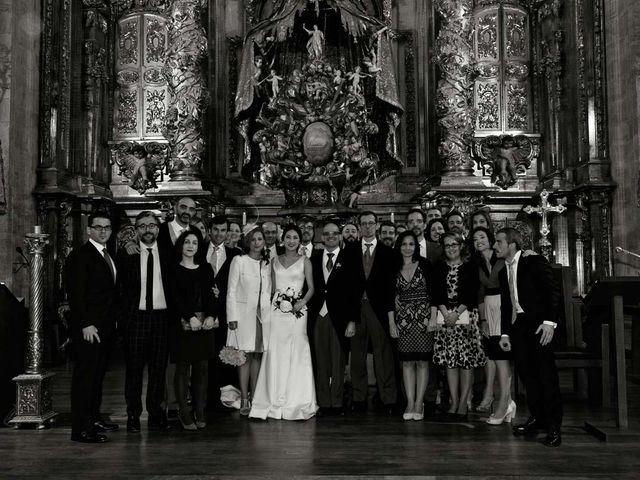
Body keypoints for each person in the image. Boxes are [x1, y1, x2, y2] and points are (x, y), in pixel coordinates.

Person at [494, 228, 563, 447]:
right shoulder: (501, 270)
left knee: (546, 375)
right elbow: (506, 304)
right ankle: (538, 418)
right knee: (527, 374)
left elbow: (552, 291)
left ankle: (554, 427)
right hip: (520, 326)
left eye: (498, 242)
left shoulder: (534, 261)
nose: (495, 246)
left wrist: (549, 323)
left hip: (540, 325)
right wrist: (505, 333)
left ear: (512, 245)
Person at [250, 225, 318, 420]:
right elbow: (270, 289)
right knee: (276, 353)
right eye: (288, 237)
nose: (291, 241)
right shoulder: (274, 261)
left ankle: (296, 400)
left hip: (298, 313)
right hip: (277, 313)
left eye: (295, 237)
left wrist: (302, 302)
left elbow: (312, 288)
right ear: (283, 239)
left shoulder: (305, 261)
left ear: (299, 240)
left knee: (297, 353)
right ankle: (272, 397)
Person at [118, 211, 174, 433]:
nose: (147, 230)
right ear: (136, 229)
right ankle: (133, 414)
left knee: (158, 369)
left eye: (152, 225)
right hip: (137, 318)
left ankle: (155, 412)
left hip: (162, 317)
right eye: (142, 226)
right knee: (134, 369)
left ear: (158, 229)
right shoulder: (127, 253)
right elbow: (119, 288)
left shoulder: (169, 253)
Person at [65, 213, 118, 443]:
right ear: (89, 230)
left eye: (107, 227)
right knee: (85, 378)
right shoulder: (80, 256)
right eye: (98, 227)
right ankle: (81, 429)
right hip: (89, 327)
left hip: (105, 327)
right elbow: (76, 295)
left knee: (97, 376)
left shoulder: (108, 254)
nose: (103, 231)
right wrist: (85, 323)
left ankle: (94, 417)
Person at [308, 221, 360, 415]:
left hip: (340, 318)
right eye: (326, 234)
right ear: (321, 237)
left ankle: (337, 402)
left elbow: (355, 292)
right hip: (318, 316)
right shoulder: (313, 259)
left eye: (334, 233)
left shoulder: (350, 258)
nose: (330, 236)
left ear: (340, 236)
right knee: (320, 361)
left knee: (338, 362)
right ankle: (323, 401)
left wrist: (352, 320)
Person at [432, 232, 486, 419]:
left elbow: (472, 293)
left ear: (461, 245)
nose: (451, 248)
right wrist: (447, 314)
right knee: (450, 362)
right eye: (447, 245)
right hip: (445, 317)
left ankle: (463, 402)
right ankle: (453, 401)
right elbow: (436, 292)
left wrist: (456, 313)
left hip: (465, 316)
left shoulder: (470, 266)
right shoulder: (438, 266)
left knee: (465, 361)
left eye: (454, 244)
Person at [350, 211, 397, 414]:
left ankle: (388, 399)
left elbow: (392, 285)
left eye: (371, 223)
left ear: (376, 226)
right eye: (364, 224)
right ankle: (358, 398)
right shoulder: (350, 251)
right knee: (358, 357)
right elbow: (346, 286)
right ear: (359, 227)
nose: (368, 227)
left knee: (383, 355)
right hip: (357, 309)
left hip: (379, 309)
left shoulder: (388, 252)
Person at [172, 231, 217, 430]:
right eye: (187, 242)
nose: (191, 245)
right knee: (183, 370)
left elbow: (212, 295)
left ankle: (200, 411)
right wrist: (190, 317)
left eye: (195, 242)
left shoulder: (206, 268)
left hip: (204, 324)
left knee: (202, 370)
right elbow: (175, 298)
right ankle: (184, 412)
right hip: (183, 324)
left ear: (199, 246)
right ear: (181, 245)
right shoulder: (173, 269)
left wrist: (210, 316)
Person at [471, 227, 515, 424]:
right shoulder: (476, 263)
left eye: (482, 237)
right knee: (492, 353)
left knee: (502, 357)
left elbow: (511, 288)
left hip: (505, 306)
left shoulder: (502, 259)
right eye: (474, 238)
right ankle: (508, 402)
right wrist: (483, 320)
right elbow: (479, 293)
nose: (478, 240)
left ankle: (504, 402)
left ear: (490, 239)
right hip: (487, 308)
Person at [389, 231, 436, 421]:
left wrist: (433, 318)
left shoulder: (425, 264)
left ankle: (419, 403)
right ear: (398, 246)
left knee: (423, 362)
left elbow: (434, 292)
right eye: (404, 244)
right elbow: (389, 297)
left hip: (424, 318)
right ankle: (410, 402)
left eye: (411, 244)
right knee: (407, 362)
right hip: (404, 320)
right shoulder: (393, 267)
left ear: (416, 247)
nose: (408, 248)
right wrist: (392, 323)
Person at [226, 227, 272, 415]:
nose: (256, 242)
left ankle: (255, 396)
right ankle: (244, 398)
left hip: (263, 317)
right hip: (244, 316)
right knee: (243, 357)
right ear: (248, 241)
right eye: (253, 239)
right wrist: (232, 317)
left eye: (260, 239)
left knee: (257, 355)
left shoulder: (267, 263)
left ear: (264, 242)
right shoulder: (239, 260)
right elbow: (231, 290)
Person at [205, 216, 242, 411]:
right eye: (216, 229)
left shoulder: (235, 254)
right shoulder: (198, 249)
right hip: (204, 313)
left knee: (223, 355)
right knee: (205, 356)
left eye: (223, 230)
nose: (219, 234)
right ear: (209, 230)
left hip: (225, 313)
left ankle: (224, 397)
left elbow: (238, 284)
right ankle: (205, 397)